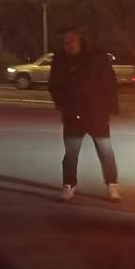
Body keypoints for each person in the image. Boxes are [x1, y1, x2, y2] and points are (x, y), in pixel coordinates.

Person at [47, 25, 120, 202]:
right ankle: (69, 185)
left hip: (96, 113)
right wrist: (62, 104)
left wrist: (110, 107)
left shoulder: (96, 56)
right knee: (71, 153)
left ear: (80, 40)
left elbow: (109, 82)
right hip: (72, 114)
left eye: (71, 41)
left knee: (105, 151)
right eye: (65, 43)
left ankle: (112, 184)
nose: (68, 46)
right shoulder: (60, 59)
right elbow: (54, 84)